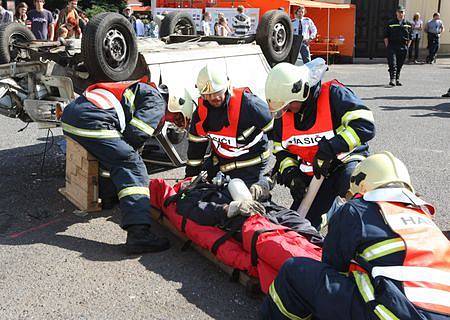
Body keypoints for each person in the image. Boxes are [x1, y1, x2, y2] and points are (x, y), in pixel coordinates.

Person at [260, 151, 450, 320]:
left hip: (389, 312)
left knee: (295, 271)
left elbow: (332, 265)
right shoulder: (425, 218)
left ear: (363, 186)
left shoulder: (358, 209)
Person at [60, 79, 171, 254]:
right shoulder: (156, 99)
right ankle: (139, 235)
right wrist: (129, 153)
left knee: (110, 157)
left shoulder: (134, 88)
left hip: (70, 120)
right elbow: (137, 133)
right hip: (92, 122)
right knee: (132, 166)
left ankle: (108, 197)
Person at [265, 62, 375, 228]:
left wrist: (332, 147)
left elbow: (365, 125)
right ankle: (330, 211)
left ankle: (371, 226)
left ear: (301, 91)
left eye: (289, 104)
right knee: (299, 224)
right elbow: (281, 150)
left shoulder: (333, 95)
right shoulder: (285, 112)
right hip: (315, 171)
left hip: (345, 161)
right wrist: (291, 174)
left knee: (354, 187)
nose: (286, 110)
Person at [185, 63, 274, 193]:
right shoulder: (200, 114)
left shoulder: (249, 104)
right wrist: (190, 179)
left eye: (217, 92)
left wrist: (283, 163)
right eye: (208, 95)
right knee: (203, 195)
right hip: (222, 163)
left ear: (227, 87)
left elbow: (277, 130)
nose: (214, 98)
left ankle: (266, 182)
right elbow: (195, 151)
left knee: (245, 199)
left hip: (251, 163)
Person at [384, 5, 412, 87]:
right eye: (399, 12)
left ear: (404, 13)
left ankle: (397, 79)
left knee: (399, 64)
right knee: (392, 63)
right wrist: (388, 47)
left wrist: (407, 47)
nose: (401, 14)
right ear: (396, 13)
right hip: (392, 45)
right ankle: (392, 79)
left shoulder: (408, 24)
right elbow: (386, 36)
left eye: (402, 12)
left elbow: (411, 37)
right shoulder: (391, 23)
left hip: (403, 46)